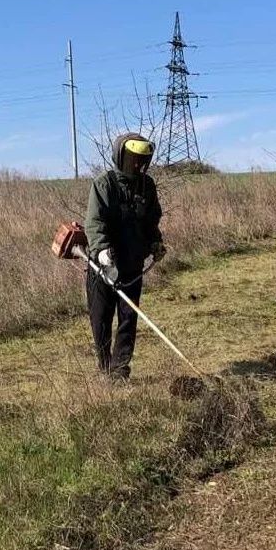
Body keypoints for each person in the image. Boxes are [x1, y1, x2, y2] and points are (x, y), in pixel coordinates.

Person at [84, 133, 165, 379]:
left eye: (142, 159)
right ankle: (105, 366)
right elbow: (94, 222)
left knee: (128, 320)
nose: (137, 164)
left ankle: (120, 371)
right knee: (101, 320)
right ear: (120, 157)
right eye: (132, 159)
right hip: (103, 268)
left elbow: (152, 221)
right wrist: (101, 250)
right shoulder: (104, 184)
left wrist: (155, 243)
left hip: (132, 267)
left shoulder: (147, 186)